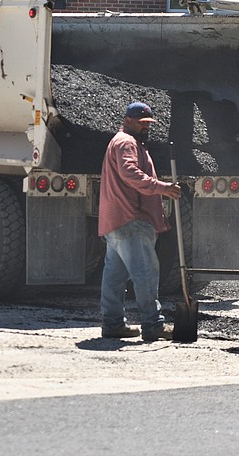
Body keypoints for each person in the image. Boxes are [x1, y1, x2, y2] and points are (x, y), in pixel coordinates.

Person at [99, 101, 183, 342]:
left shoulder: (122, 141)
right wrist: (162, 188)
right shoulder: (126, 142)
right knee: (145, 272)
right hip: (131, 219)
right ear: (127, 120)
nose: (146, 127)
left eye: (148, 123)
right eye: (141, 122)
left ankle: (112, 323)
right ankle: (153, 324)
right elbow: (130, 172)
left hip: (116, 220)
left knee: (114, 275)